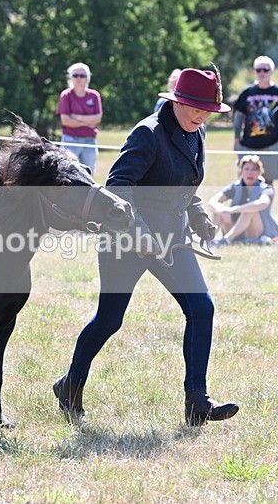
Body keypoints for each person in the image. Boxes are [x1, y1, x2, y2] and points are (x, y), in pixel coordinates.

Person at [53, 67, 239, 426]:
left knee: (202, 309)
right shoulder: (147, 133)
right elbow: (118, 184)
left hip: (172, 240)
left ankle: (197, 401)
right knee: (109, 319)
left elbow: (181, 183)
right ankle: (70, 384)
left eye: (208, 113)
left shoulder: (195, 131)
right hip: (125, 240)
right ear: (177, 101)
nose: (202, 117)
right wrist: (138, 231)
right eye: (196, 109)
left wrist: (197, 212)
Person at [232, 56, 278, 184]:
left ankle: (266, 205)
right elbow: (238, 117)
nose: (262, 73)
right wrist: (236, 138)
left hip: (271, 144)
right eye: (258, 70)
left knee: (268, 182)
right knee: (245, 182)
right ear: (254, 72)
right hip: (248, 144)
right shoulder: (247, 92)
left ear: (271, 71)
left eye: (265, 70)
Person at [207, 155, 278, 244]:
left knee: (250, 210)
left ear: (259, 172)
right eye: (246, 169)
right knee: (218, 210)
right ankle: (208, 239)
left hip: (255, 231)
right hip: (233, 226)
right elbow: (212, 202)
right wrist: (221, 210)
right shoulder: (235, 186)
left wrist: (233, 209)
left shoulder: (266, 188)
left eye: (254, 169)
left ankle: (226, 240)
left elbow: (262, 204)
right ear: (241, 172)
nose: (250, 172)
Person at [55, 62, 103, 174]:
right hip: (70, 140)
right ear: (70, 78)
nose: (79, 78)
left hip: (90, 141)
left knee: (88, 175)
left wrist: (77, 117)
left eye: (82, 75)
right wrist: (89, 122)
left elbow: (97, 119)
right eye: (75, 75)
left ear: (88, 78)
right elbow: (65, 121)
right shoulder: (66, 95)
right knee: (67, 174)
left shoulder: (94, 95)